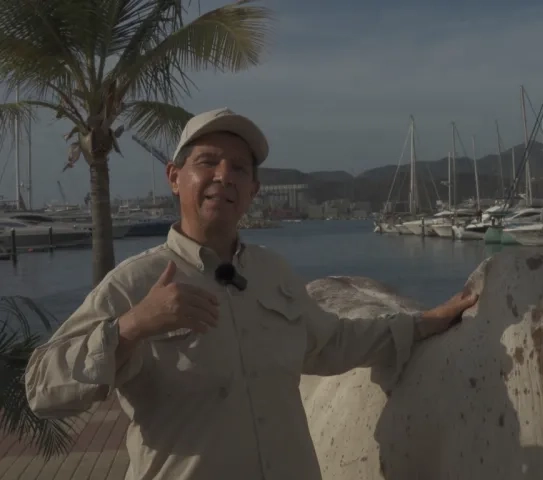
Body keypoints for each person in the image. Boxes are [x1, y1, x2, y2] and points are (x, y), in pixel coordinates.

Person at [24, 107, 478, 479]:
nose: (224, 175)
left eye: (239, 168)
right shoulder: (135, 282)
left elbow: (332, 341)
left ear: (253, 190)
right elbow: (41, 388)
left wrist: (426, 323)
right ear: (174, 176)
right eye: (208, 162)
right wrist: (131, 327)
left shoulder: (271, 272)